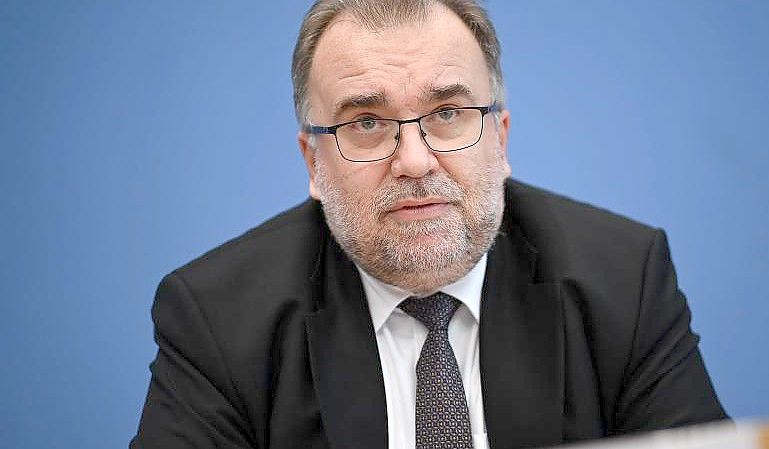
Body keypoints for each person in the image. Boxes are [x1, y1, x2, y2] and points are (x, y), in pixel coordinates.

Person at [131, 1, 728, 448]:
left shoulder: (625, 280)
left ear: (501, 135)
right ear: (312, 162)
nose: (414, 161)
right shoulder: (217, 319)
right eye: (365, 122)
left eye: (447, 113)